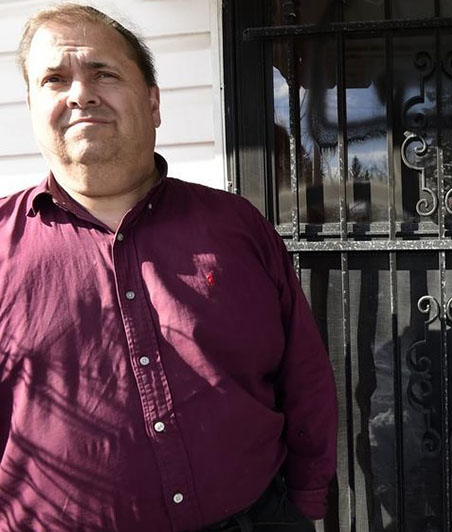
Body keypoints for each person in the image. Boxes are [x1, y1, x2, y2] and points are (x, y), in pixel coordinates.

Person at [0, 3, 338, 531]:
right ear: (31, 105)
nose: (80, 93)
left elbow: (305, 377)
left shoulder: (237, 226)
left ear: (154, 102)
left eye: (104, 73)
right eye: (54, 79)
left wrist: (306, 506)